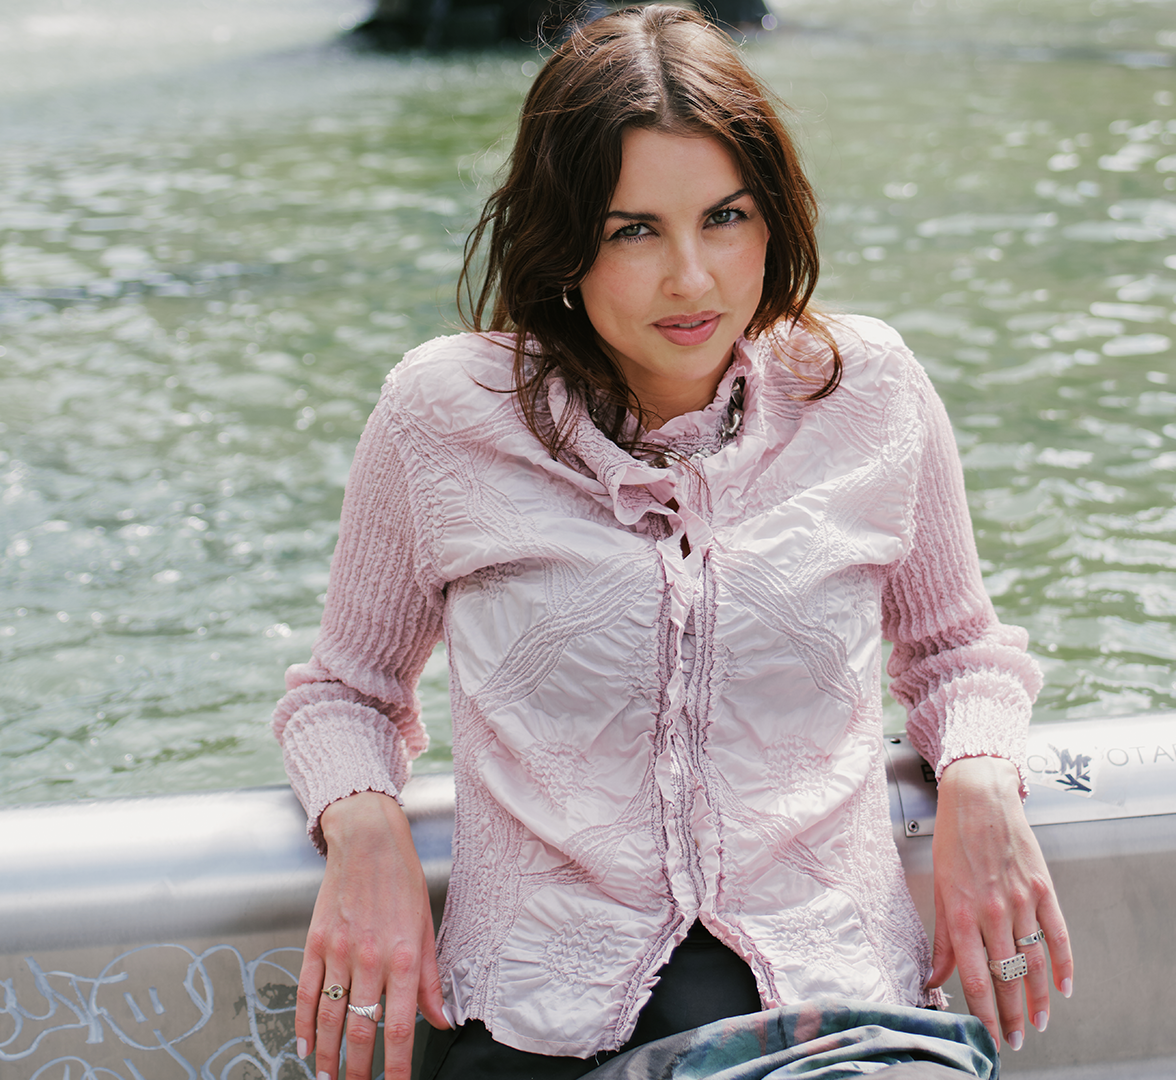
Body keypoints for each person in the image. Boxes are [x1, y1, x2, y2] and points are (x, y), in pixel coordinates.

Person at [269, 6, 1071, 1079]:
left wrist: (977, 781)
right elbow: (345, 694)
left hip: (835, 1024)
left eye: (725, 217)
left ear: (773, 217)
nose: (692, 277)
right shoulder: (441, 416)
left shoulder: (868, 391)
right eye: (632, 229)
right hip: (541, 1029)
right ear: (563, 242)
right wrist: (364, 833)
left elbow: (959, 655)